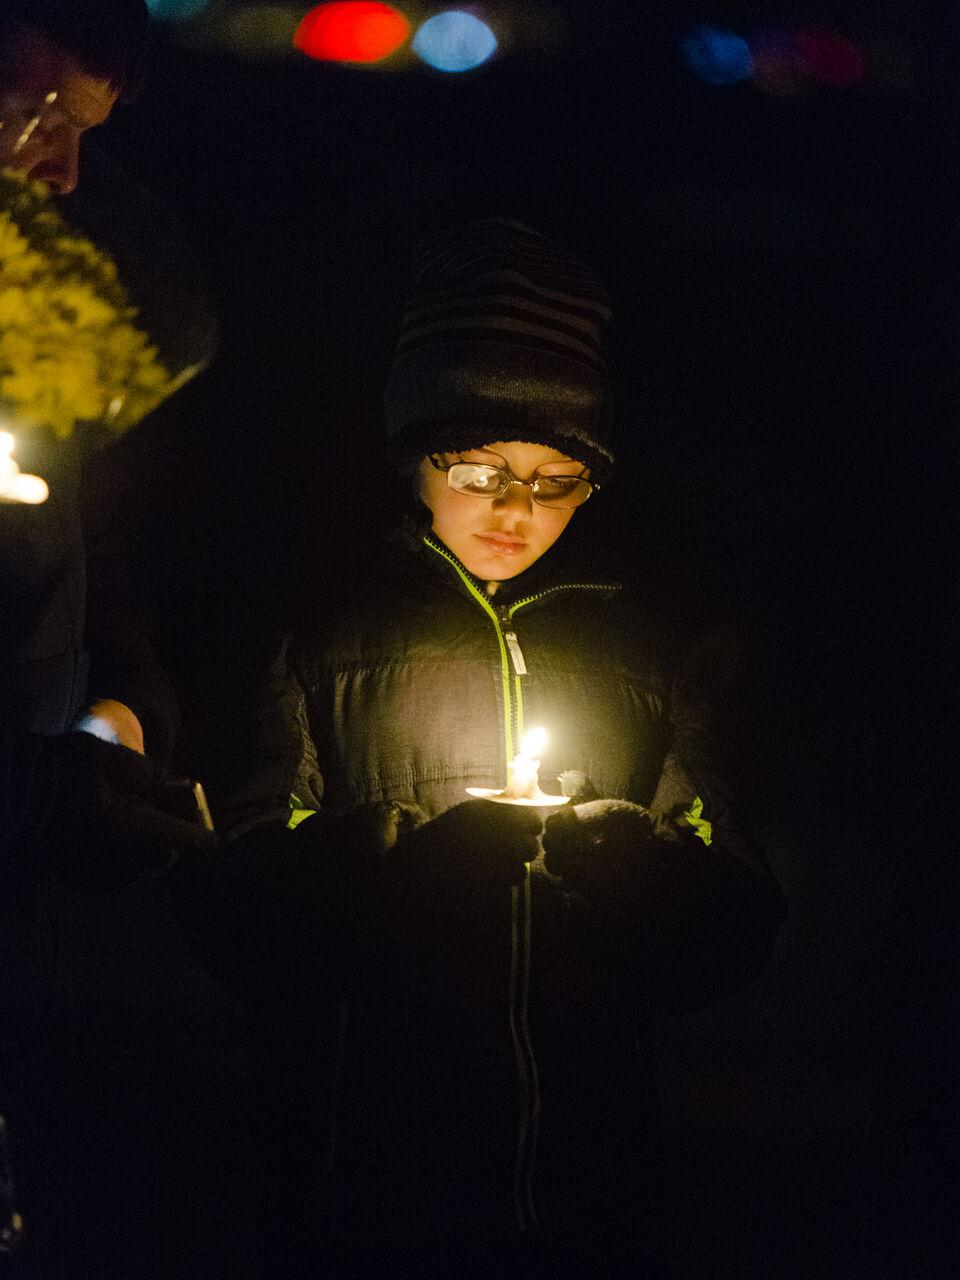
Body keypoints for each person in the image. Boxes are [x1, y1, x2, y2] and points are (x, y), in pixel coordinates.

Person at [202, 217, 786, 1279]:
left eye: (557, 477)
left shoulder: (646, 646)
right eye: (479, 470)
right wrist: (408, 867)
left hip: (591, 1186)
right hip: (367, 1181)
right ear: (413, 456)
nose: (517, 509)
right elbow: (236, 912)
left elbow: (733, 928)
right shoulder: (320, 629)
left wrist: (639, 869)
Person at [1, 5, 230, 1276]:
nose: (58, 169)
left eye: (86, 134)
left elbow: (104, 578)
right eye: (38, 114)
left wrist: (113, 727)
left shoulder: (51, 324)